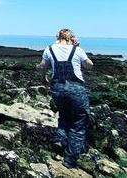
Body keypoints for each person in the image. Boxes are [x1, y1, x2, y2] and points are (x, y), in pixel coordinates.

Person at [38, 28, 94, 169]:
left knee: (63, 115)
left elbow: (42, 66)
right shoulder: (77, 50)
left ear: (58, 37)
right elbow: (90, 65)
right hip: (76, 88)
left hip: (57, 88)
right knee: (79, 123)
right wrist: (78, 48)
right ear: (71, 38)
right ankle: (70, 160)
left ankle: (60, 139)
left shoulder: (49, 49)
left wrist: (43, 78)